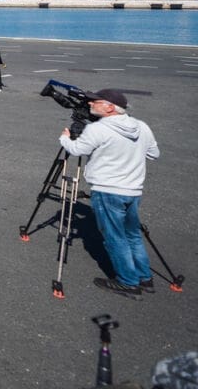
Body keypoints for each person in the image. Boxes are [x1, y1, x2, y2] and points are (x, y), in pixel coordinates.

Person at [58, 89, 159, 297]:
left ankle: (128, 282)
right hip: (133, 190)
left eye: (96, 101)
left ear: (110, 107)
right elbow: (153, 154)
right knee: (132, 235)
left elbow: (76, 150)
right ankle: (144, 277)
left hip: (107, 190)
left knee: (115, 237)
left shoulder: (98, 129)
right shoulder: (141, 126)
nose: (90, 104)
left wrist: (65, 138)